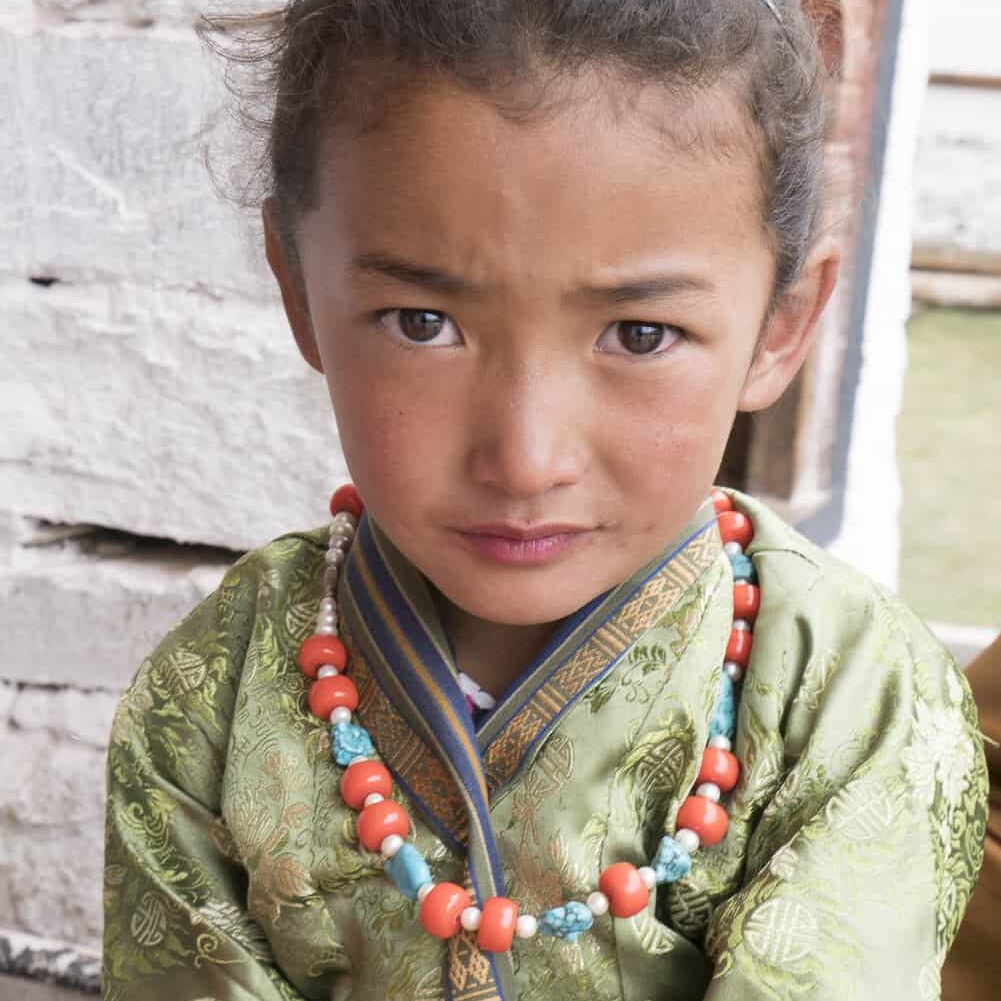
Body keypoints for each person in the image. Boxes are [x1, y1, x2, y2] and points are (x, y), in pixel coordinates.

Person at [101, 2, 988, 999]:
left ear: (780, 326)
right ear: (298, 292)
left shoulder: (847, 697)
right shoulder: (214, 691)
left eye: (639, 334)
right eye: (421, 321)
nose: (524, 457)